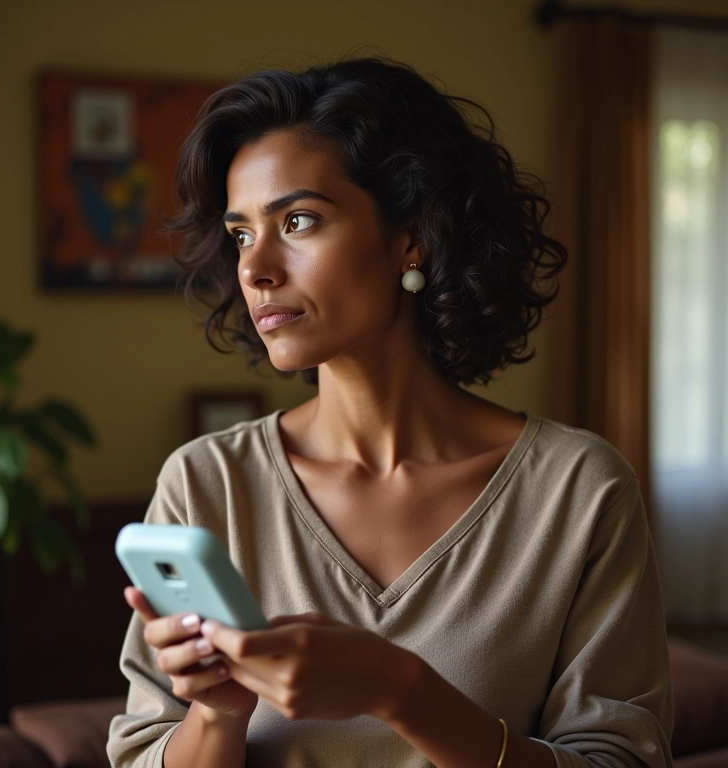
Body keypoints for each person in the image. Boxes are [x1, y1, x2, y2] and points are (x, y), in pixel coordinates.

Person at [107, 58, 673, 768]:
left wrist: (402, 690)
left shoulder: (579, 492)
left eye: (299, 220)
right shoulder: (204, 484)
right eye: (244, 233)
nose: (255, 269)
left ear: (413, 235)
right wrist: (215, 712)